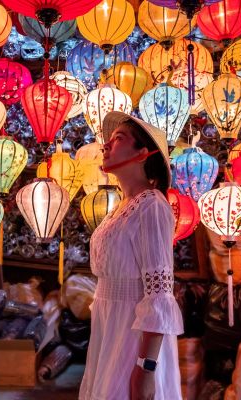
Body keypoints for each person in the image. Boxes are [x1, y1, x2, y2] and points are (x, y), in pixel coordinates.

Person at [79, 112, 184, 400]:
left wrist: (145, 368)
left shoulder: (151, 206)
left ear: (141, 154)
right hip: (109, 333)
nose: (106, 146)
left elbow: (159, 294)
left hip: (132, 339)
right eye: (108, 141)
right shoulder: (121, 208)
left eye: (118, 139)